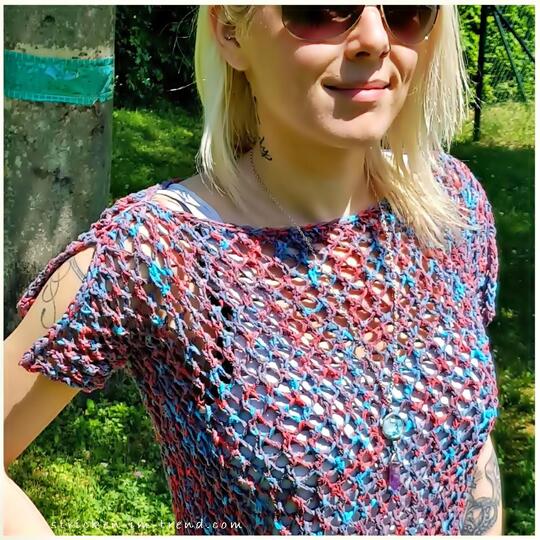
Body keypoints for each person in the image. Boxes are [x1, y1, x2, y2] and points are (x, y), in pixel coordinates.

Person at [4, 5, 503, 536]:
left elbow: (469, 444)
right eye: (324, 9)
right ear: (230, 31)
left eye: (406, 10)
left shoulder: (449, 207)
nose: (375, 39)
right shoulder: (155, 251)